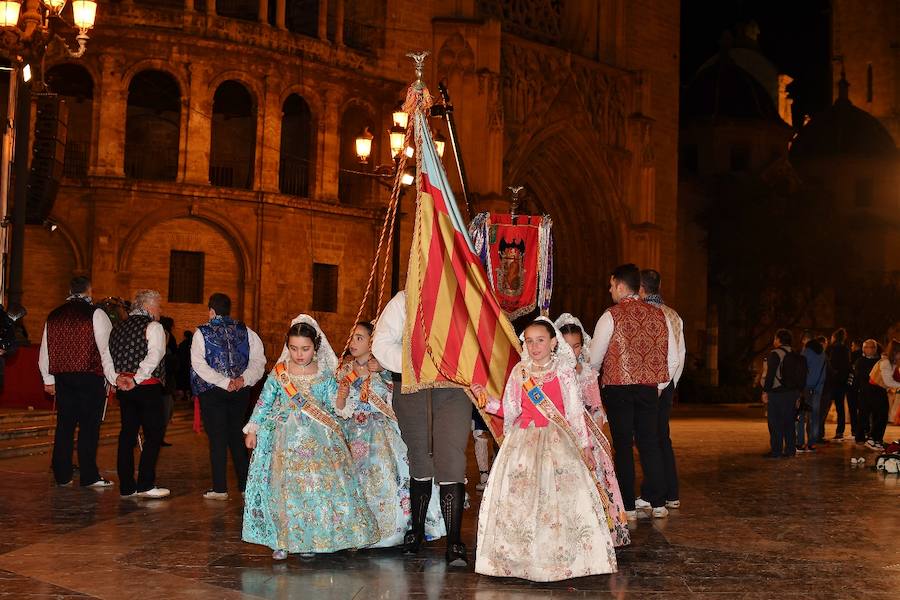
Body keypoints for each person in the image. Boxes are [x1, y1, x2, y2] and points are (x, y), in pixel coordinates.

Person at [471, 318, 617, 582]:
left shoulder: (564, 371)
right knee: (521, 503)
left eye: (540, 340)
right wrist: (485, 400)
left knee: (557, 502)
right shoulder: (519, 372)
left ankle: (562, 559)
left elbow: (574, 412)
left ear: (552, 343)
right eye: (529, 341)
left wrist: (584, 446)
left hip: (558, 442)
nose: (535, 346)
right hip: (523, 445)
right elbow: (510, 409)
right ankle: (520, 560)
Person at [242, 316, 377, 560]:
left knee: (317, 488)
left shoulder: (324, 374)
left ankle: (314, 537)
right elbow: (264, 402)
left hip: (320, 441)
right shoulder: (280, 373)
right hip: (285, 442)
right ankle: (283, 539)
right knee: (285, 491)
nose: (299, 354)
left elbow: (334, 405)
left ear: (315, 347)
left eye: (304, 349)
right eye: (293, 348)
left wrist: (341, 396)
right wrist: (253, 428)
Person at [371, 290, 472, 566]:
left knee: (451, 458)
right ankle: (416, 531)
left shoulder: (461, 295)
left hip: (453, 385)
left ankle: (454, 542)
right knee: (420, 457)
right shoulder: (404, 300)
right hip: (412, 384)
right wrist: (414, 360)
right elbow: (381, 345)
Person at [334, 321, 444, 547]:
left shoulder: (386, 369)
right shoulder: (344, 369)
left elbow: (396, 398)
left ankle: (396, 528)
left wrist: (383, 371)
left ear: (373, 342)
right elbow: (338, 404)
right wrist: (342, 397)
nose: (353, 343)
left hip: (381, 430)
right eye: (352, 337)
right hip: (352, 430)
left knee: (390, 472)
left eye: (360, 338)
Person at [589, 264, 674, 519]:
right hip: (648, 389)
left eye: (611, 285)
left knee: (624, 446)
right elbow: (670, 357)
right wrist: (658, 386)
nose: (610, 290)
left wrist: (592, 379)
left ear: (619, 284)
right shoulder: (660, 315)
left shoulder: (610, 316)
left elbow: (595, 357)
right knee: (650, 443)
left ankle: (627, 505)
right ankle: (658, 503)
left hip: (619, 389)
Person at [555, 312, 630, 547]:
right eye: (567, 346)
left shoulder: (586, 373)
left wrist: (594, 438)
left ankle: (598, 534)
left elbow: (596, 408)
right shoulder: (552, 371)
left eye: (577, 346)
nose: (573, 351)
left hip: (587, 436)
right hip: (559, 434)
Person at [38, 276, 119, 488]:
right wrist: (113, 378)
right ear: (89, 291)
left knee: (64, 426)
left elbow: (45, 350)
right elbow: (106, 349)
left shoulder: (54, 315)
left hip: (63, 378)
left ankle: (62, 475)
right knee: (89, 427)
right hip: (89, 376)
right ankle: (89, 475)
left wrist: (48, 379)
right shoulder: (96, 313)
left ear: (70, 290)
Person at [190, 293, 266, 500]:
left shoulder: (202, 333)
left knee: (217, 438)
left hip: (213, 391)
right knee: (235, 436)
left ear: (211, 311)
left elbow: (198, 364)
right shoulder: (247, 331)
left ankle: (220, 488)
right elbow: (259, 362)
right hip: (240, 392)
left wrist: (224, 382)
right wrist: (242, 379)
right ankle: (245, 485)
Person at [109, 289, 170, 498]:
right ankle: (145, 483)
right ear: (149, 307)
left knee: (127, 434)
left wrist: (118, 379)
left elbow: (109, 356)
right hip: (146, 386)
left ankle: (126, 487)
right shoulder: (153, 326)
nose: (160, 311)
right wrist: (137, 378)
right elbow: (156, 355)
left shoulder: (118, 327)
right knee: (154, 434)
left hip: (124, 387)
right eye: (158, 307)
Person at [637, 269, 686, 511]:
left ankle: (653, 494)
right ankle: (671, 492)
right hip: (666, 385)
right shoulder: (674, 315)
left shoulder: (645, 314)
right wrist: (671, 385)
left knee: (648, 440)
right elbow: (681, 353)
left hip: (651, 385)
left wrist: (657, 386)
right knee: (662, 438)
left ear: (641, 289)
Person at [760, 329, 802, 458]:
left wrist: (765, 391)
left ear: (778, 340)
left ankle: (776, 451)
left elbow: (770, 375)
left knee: (774, 422)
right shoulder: (795, 354)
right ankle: (790, 450)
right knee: (789, 422)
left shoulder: (775, 354)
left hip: (777, 393)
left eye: (775, 338)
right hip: (792, 393)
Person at [867, 340, 900, 451]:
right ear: (895, 352)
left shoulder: (891, 363)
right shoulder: (885, 363)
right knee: (881, 416)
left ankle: (877, 440)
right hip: (875, 390)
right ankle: (872, 439)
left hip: (879, 390)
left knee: (882, 416)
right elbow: (888, 382)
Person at [797, 338, 827, 452]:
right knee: (814, 417)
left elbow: (801, 370)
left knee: (801, 416)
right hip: (817, 389)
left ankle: (800, 443)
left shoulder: (806, 352)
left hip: (805, 388)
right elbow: (823, 374)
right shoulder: (823, 354)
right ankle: (812, 443)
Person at [853, 339, 881, 447]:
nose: (870, 349)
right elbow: (858, 377)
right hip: (864, 392)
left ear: (875, 349)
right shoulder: (860, 361)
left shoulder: (879, 361)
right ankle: (860, 437)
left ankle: (874, 437)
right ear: (863, 349)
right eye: (867, 347)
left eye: (872, 347)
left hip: (878, 392)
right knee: (863, 416)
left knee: (877, 416)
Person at [825, 328, 852, 441]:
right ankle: (840, 432)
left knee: (825, 406)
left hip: (831, 382)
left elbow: (828, 365)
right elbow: (847, 366)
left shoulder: (831, 349)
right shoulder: (846, 349)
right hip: (841, 383)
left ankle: (820, 430)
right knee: (840, 408)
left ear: (834, 337)